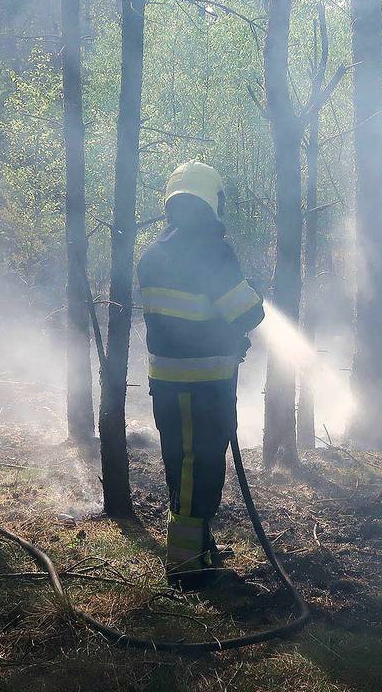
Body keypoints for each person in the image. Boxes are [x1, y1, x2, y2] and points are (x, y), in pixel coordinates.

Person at [137, 160, 265, 590]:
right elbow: (247, 312)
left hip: (167, 384)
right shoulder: (210, 251)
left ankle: (196, 551)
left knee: (183, 466)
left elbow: (185, 320)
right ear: (213, 202)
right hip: (205, 384)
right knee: (202, 468)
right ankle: (187, 568)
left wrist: (223, 334)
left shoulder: (153, 254)